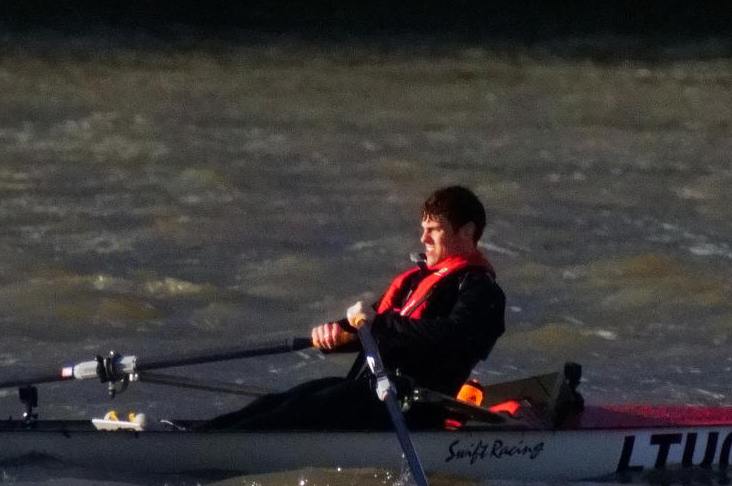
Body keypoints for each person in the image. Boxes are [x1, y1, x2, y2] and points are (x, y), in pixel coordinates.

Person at [199, 185, 505, 431]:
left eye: (434, 229)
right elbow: (373, 327)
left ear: (467, 232)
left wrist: (380, 324)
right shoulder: (417, 282)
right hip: (371, 393)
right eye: (423, 228)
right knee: (280, 401)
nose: (423, 238)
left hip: (412, 407)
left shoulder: (480, 290)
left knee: (300, 410)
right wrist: (338, 334)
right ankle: (194, 433)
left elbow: (457, 336)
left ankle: (206, 447)